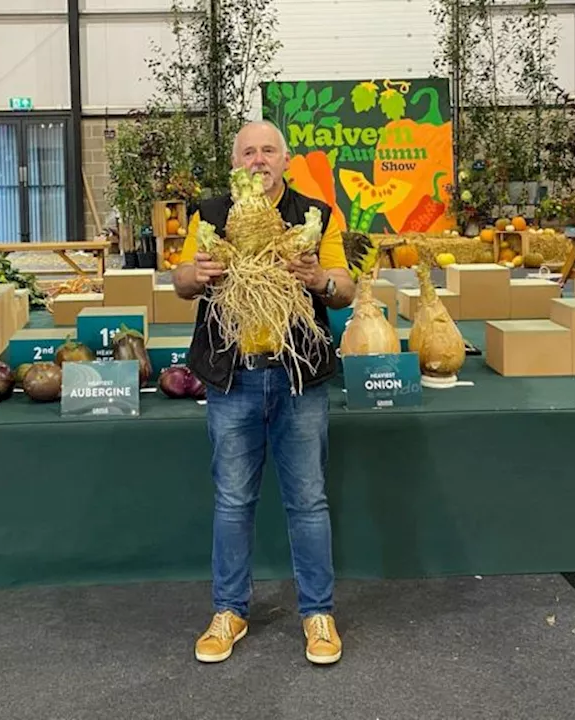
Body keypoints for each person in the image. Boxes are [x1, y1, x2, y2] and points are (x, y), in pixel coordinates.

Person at [172, 121, 356, 666]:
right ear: (236, 161)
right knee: (233, 499)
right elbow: (180, 281)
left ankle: (317, 613)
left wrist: (316, 277)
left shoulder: (315, 214)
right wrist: (198, 273)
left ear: (285, 158)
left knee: (308, 500)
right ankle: (229, 610)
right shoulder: (211, 214)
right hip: (233, 377)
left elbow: (344, 290)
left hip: (297, 377)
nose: (258, 159)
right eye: (248, 151)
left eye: (268, 150)